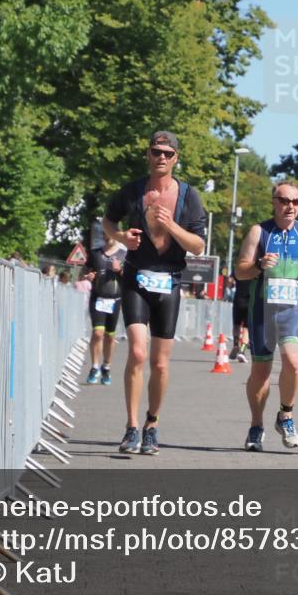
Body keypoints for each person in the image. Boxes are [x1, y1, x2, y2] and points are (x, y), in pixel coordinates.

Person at [102, 131, 207, 456]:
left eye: (168, 153)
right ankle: (131, 426)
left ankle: (151, 423)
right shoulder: (133, 191)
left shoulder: (188, 196)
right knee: (137, 352)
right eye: (156, 151)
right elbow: (107, 221)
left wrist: (172, 225)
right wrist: (122, 237)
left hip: (169, 283)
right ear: (148, 154)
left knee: (160, 364)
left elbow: (198, 246)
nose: (162, 157)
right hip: (136, 278)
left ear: (176, 158)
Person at [234, 181, 298, 451]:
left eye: (296, 202)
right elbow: (240, 271)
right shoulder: (259, 231)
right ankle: (256, 425)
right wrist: (259, 265)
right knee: (261, 371)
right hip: (262, 310)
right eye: (284, 201)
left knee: (293, 363)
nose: (290, 206)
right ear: (274, 202)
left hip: (293, 309)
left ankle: (286, 415)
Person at [82, 235, 127, 385]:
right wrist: (88, 276)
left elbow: (131, 277)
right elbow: (84, 272)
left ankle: (106, 367)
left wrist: (119, 270)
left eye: (112, 233)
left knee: (109, 336)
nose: (109, 236)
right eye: (106, 233)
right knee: (97, 332)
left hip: (115, 300)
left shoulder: (124, 253)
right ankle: (94, 367)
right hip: (98, 298)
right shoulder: (95, 253)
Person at [229, 278, 251, 364]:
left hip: (238, 299)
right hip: (250, 300)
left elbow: (230, 281)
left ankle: (235, 344)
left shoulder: (238, 270)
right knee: (246, 328)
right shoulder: (255, 271)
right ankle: (242, 351)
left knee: (236, 325)